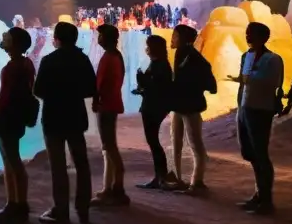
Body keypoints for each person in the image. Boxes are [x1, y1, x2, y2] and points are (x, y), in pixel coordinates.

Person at [33, 22, 97, 224]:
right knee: (81, 162)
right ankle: (83, 207)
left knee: (58, 165)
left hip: (53, 117)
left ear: (57, 39)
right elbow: (90, 89)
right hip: (76, 116)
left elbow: (38, 90)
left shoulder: (49, 60)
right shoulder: (82, 59)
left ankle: (61, 209)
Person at [230, 22, 285, 215]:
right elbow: (243, 82)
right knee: (249, 152)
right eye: (246, 33)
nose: (247, 37)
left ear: (263, 37)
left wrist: (247, 79)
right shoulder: (247, 56)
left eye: (250, 34)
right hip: (245, 108)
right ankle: (259, 193)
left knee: (260, 153)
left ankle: (266, 200)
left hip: (261, 109)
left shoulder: (273, 59)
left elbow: (271, 82)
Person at [0, 26, 35, 224]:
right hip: (19, 116)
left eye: (7, 38)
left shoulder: (10, 68)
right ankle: (16, 204)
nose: (4, 40)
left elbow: (5, 95)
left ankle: (17, 205)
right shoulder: (27, 64)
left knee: (11, 160)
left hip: (6, 117)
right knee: (13, 160)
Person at [166, 24, 216, 194]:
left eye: (175, 35)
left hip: (190, 106)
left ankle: (197, 182)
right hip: (182, 106)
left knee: (195, 145)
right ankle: (177, 178)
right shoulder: (184, 54)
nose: (172, 39)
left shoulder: (190, 56)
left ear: (183, 39)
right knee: (177, 142)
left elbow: (209, 82)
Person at [92, 24, 129, 206]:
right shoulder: (116, 56)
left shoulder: (109, 58)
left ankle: (118, 187)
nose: (98, 39)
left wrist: (96, 100)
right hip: (111, 104)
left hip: (106, 106)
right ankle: (111, 187)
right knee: (109, 145)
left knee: (109, 145)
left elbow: (101, 84)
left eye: (100, 35)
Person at [133, 34, 175, 189]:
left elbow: (156, 87)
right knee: (153, 142)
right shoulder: (160, 63)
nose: (146, 49)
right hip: (153, 105)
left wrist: (141, 79)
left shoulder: (160, 65)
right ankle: (160, 176)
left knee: (153, 142)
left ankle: (161, 177)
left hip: (153, 107)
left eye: (148, 46)